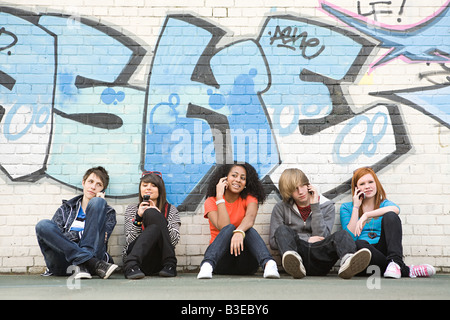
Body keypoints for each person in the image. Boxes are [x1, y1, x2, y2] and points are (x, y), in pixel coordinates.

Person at [270, 168, 371, 279]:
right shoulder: (280, 208)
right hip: (298, 255)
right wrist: (306, 240)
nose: (301, 192)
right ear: (288, 192)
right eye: (295, 189)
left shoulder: (327, 205)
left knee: (342, 234)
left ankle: (348, 261)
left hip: (321, 255)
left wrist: (315, 207)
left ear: (308, 184)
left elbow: (322, 236)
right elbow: (273, 242)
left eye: (302, 185)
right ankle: (295, 262)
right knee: (282, 230)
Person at [340, 167, 436, 278]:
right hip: (364, 259)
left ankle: (395, 263)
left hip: (384, 251)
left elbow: (396, 210)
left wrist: (366, 215)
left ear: (376, 184)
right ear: (356, 188)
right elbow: (350, 238)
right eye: (362, 184)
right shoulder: (347, 208)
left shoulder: (384, 204)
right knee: (360, 244)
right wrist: (356, 207)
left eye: (371, 182)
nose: (367, 186)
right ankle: (405, 270)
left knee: (390, 215)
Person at [197, 162, 280, 279]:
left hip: (246, 262)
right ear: (224, 178)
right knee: (230, 228)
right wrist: (220, 197)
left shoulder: (250, 198)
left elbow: (250, 218)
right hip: (220, 261)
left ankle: (269, 264)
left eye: (243, 178)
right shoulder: (211, 201)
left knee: (248, 229)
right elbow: (223, 226)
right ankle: (207, 265)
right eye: (234, 176)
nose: (238, 180)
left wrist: (239, 231)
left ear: (246, 183)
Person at [35, 166, 118, 279]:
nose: (93, 187)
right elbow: (55, 240)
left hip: (94, 254)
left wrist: (100, 205)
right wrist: (81, 234)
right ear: (84, 183)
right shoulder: (66, 209)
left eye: (99, 184)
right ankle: (88, 261)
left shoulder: (108, 213)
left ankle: (84, 263)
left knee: (97, 202)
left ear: (103, 190)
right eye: (91, 181)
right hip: (64, 263)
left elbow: (102, 239)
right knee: (43, 225)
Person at [123, 171, 181, 279]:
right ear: (140, 189)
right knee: (153, 227)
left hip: (158, 262)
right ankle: (170, 264)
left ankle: (168, 263)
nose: (148, 188)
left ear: (160, 190)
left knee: (154, 222)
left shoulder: (171, 210)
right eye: (145, 185)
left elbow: (174, 240)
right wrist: (138, 218)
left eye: (153, 186)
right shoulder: (132, 209)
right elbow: (129, 241)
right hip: (137, 261)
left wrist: (160, 218)